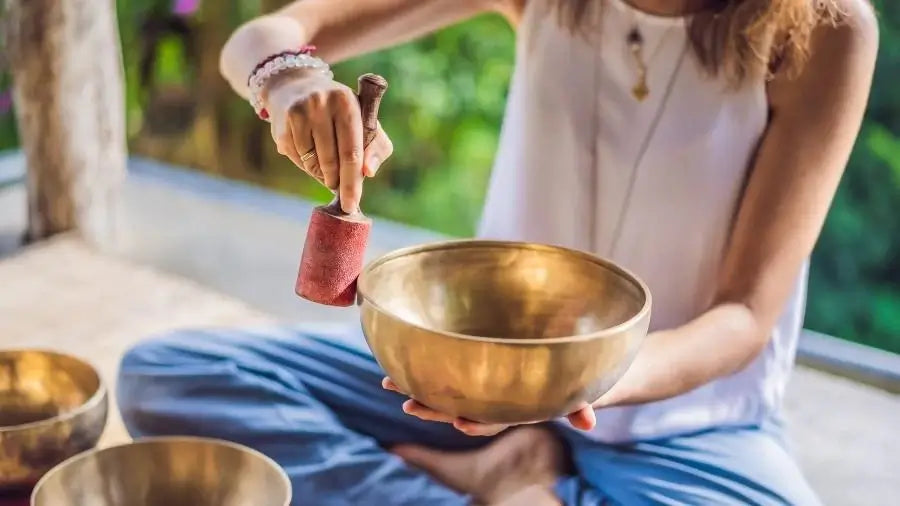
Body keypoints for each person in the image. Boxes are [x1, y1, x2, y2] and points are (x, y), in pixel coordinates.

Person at [116, 0, 878, 504]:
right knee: (168, 377)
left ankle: (509, 482)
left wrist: (585, 378)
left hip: (681, 423)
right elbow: (264, 36)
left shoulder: (828, 29)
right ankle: (502, 480)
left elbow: (744, 315)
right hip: (471, 374)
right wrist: (290, 85)